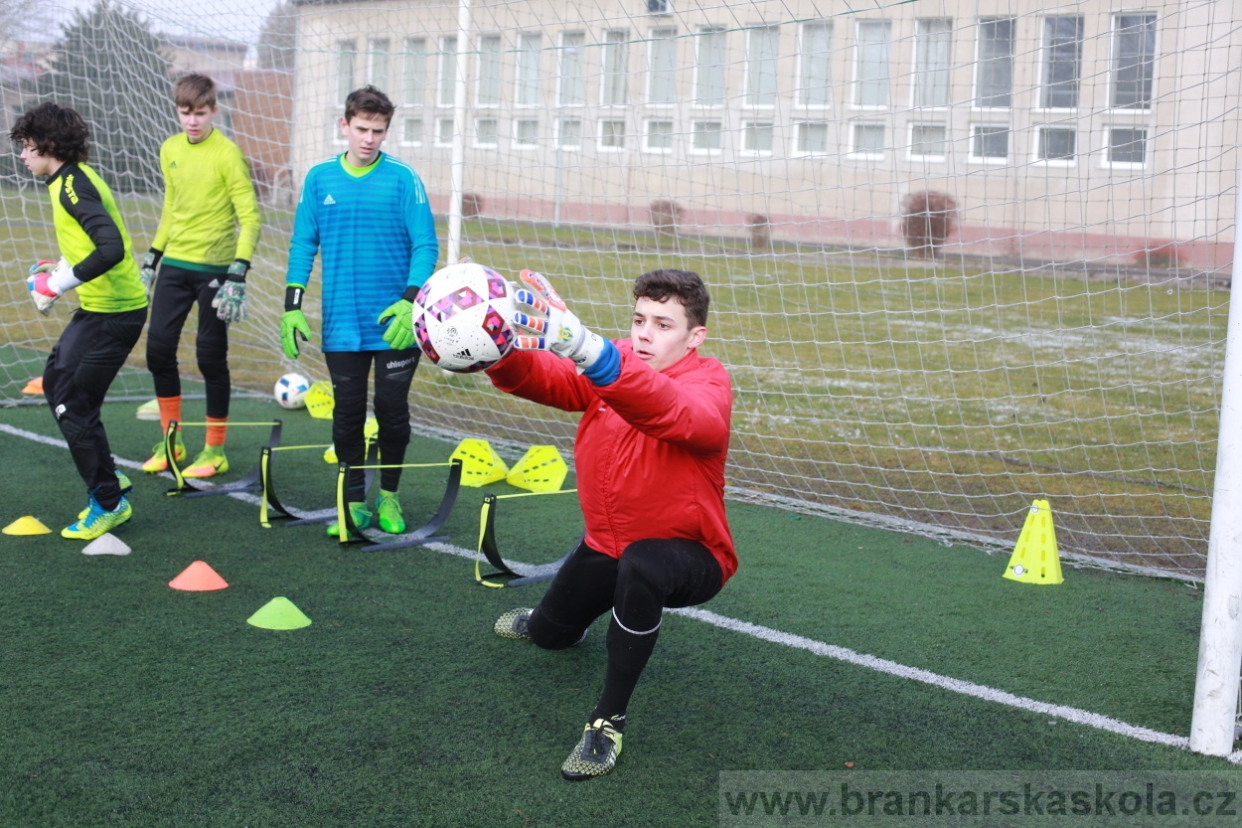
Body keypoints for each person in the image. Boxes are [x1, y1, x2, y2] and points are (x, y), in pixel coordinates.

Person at [487, 268, 736, 780]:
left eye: (663, 325)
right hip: (605, 545)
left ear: (695, 337)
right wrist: (499, 347)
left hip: (691, 555)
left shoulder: (709, 382)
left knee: (643, 563)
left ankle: (608, 721)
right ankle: (547, 620)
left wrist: (586, 348)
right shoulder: (615, 358)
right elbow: (544, 379)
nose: (644, 333)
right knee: (550, 636)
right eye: (639, 319)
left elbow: (672, 412)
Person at [280, 85, 438, 536]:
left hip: (395, 326)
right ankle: (351, 504)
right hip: (341, 324)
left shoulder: (404, 179)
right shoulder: (319, 179)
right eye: (362, 129)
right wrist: (292, 305)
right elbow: (302, 243)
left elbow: (425, 244)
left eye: (379, 131)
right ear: (344, 125)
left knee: (391, 409)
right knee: (346, 414)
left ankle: (388, 495)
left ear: (387, 131)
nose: (369, 139)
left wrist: (410, 303)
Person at [11, 102, 148, 539]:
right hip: (101, 308)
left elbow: (110, 249)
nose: (21, 154)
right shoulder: (68, 180)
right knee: (58, 383)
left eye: (26, 145)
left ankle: (108, 502)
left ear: (48, 144)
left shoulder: (71, 186)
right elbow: (94, 241)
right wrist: (60, 269)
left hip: (116, 311)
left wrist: (56, 285)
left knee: (70, 401)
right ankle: (110, 480)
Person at [140, 73, 262, 478]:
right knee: (157, 351)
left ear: (214, 110)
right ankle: (170, 442)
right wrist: (152, 259)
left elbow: (250, 217)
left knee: (210, 357)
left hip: (216, 271)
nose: (192, 121)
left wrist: (238, 273)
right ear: (177, 110)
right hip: (175, 265)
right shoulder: (169, 148)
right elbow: (170, 208)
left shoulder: (227, 154)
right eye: (185, 113)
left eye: (201, 113)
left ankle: (214, 450)